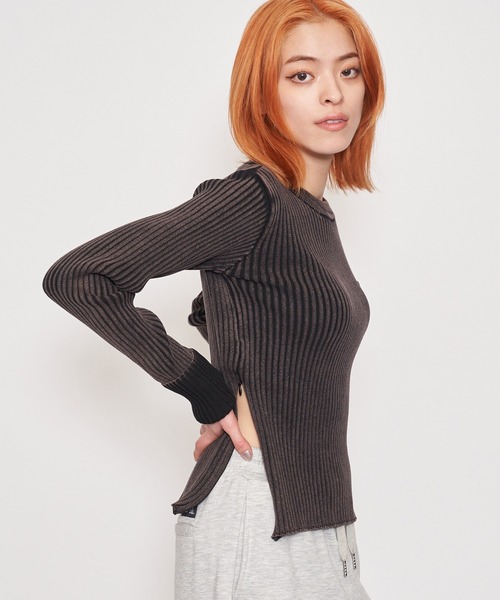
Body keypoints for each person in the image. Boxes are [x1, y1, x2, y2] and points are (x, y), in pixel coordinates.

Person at [43, 0, 385, 597]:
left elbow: (247, 309)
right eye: (301, 75)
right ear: (262, 95)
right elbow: (81, 276)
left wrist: (234, 356)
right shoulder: (252, 200)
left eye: (348, 70)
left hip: (319, 517)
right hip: (260, 512)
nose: (332, 92)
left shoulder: (310, 215)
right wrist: (206, 389)